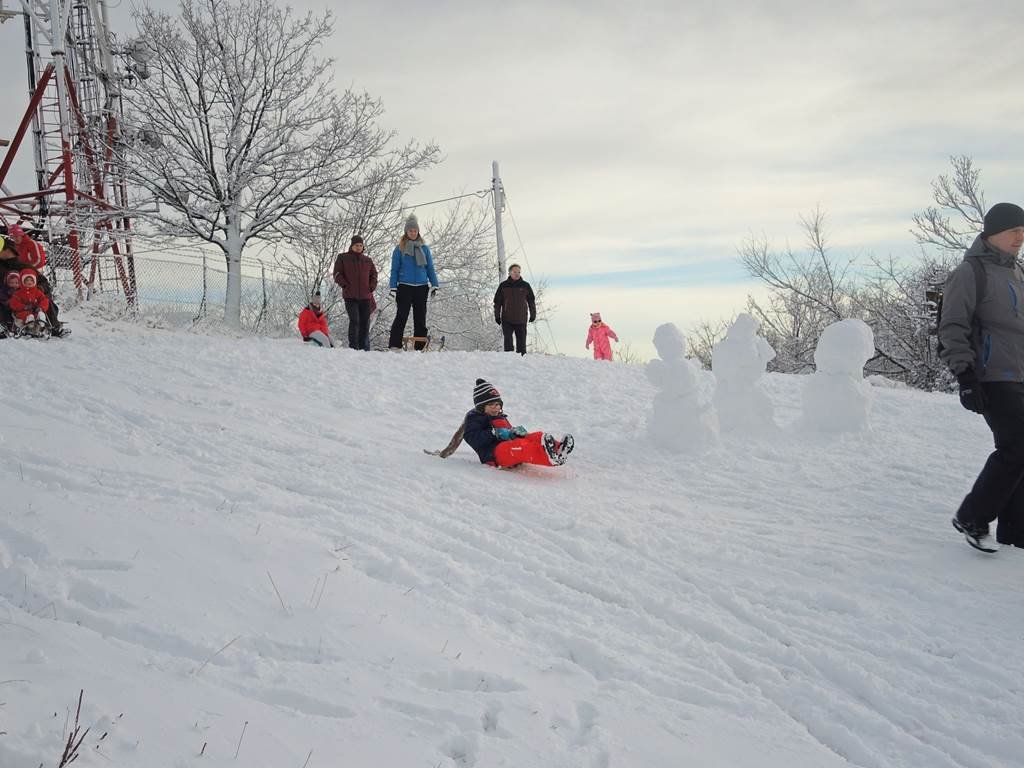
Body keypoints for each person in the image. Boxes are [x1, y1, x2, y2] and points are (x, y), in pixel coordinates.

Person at [939, 202, 1024, 552]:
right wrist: (966, 377)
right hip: (991, 375)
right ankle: (973, 516)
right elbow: (952, 325)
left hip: (1020, 375)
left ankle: (1015, 532)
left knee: (1020, 449)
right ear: (992, 233)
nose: (1021, 237)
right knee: (1017, 446)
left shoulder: (1017, 273)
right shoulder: (970, 273)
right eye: (1014, 230)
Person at [462, 378, 574, 468]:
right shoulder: (476, 418)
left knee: (534, 436)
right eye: (491, 405)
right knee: (521, 446)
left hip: (507, 447)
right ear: (481, 407)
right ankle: (549, 458)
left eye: (497, 404)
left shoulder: (500, 417)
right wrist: (493, 433)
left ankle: (558, 448)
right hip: (494, 454)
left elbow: (507, 432)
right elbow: (470, 437)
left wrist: (515, 432)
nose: (495, 408)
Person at [0, 229, 64, 336]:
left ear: (8, 251)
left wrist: (38, 291)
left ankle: (52, 326)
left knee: (45, 300)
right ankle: (5, 327)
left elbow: (43, 283)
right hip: (8, 300)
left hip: (28, 301)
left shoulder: (23, 267)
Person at [388, 214, 438, 350]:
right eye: (410, 231)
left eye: (415, 230)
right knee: (401, 316)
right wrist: (393, 287)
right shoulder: (399, 249)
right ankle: (394, 345)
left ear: (418, 231)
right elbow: (394, 270)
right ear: (406, 232)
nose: (413, 233)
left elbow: (430, 268)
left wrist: (434, 284)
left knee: (420, 318)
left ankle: (420, 347)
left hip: (421, 287)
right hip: (404, 287)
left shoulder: (425, 249)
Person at [333, 235, 378, 350]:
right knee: (355, 321)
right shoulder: (343, 258)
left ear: (363, 247)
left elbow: (374, 274)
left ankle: (363, 348)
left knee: (364, 322)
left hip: (365, 297)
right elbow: (337, 273)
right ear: (352, 246)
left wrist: (372, 286)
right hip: (350, 296)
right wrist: (345, 285)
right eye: (356, 245)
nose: (358, 247)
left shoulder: (367, 260)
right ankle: (353, 347)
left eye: (360, 245)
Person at [493, 263, 536, 355]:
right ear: (509, 273)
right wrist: (497, 316)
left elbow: (531, 301)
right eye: (515, 271)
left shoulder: (525, 285)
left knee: (521, 344)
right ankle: (509, 362)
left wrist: (533, 314)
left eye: (519, 272)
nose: (517, 274)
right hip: (507, 319)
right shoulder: (503, 286)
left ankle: (522, 362)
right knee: (508, 341)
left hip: (521, 319)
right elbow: (497, 302)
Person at [9, 268, 51, 335]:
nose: (29, 282)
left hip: (35, 311)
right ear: (22, 282)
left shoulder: (37, 292)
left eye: (31, 280)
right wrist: (23, 307)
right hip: (22, 312)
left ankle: (41, 321)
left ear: (35, 281)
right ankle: (30, 325)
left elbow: (44, 299)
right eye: (27, 280)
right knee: (27, 315)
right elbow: (13, 303)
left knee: (39, 313)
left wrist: (41, 307)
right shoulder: (18, 293)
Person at [0, 270, 22, 334]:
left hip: (17, 308)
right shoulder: (5, 289)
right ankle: (4, 325)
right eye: (11, 283)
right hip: (6, 306)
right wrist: (7, 301)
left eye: (16, 283)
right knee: (4, 312)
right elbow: (2, 296)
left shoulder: (21, 291)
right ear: (7, 283)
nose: (14, 285)